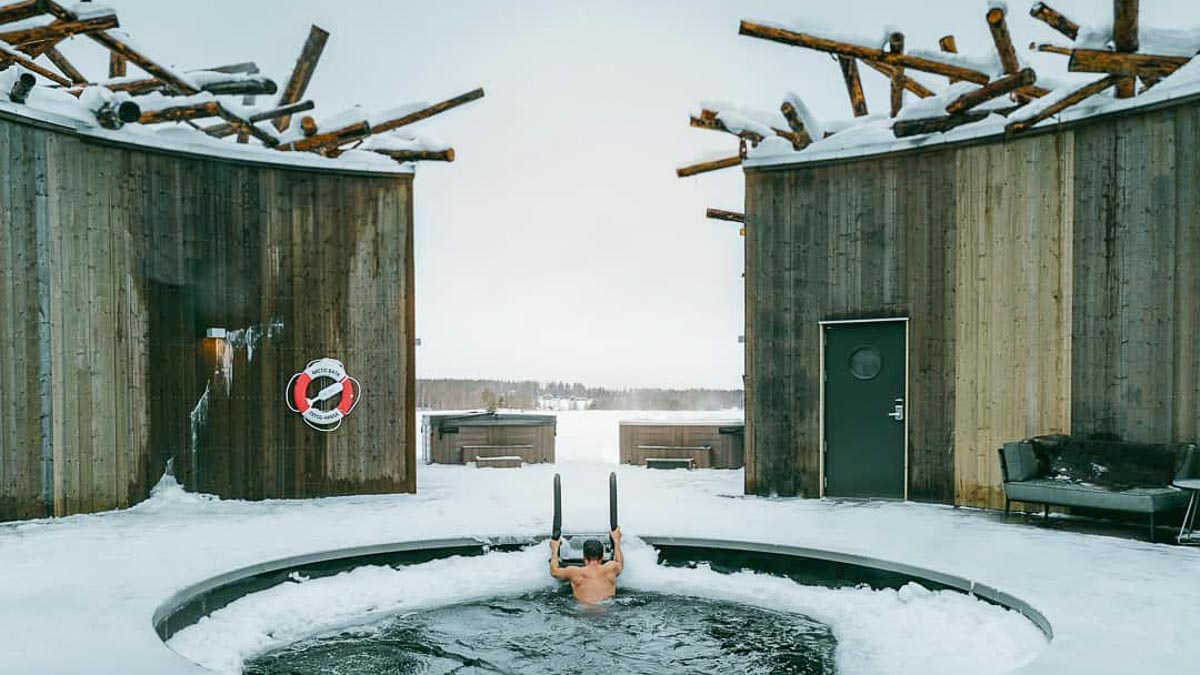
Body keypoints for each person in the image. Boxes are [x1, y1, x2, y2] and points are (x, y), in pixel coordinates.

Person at [548, 528, 623, 604]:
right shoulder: (611, 568)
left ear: (583, 557)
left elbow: (554, 572)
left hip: (584, 612)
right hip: (607, 610)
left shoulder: (575, 572)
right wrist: (616, 541)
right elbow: (620, 563)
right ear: (602, 557)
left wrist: (555, 549)